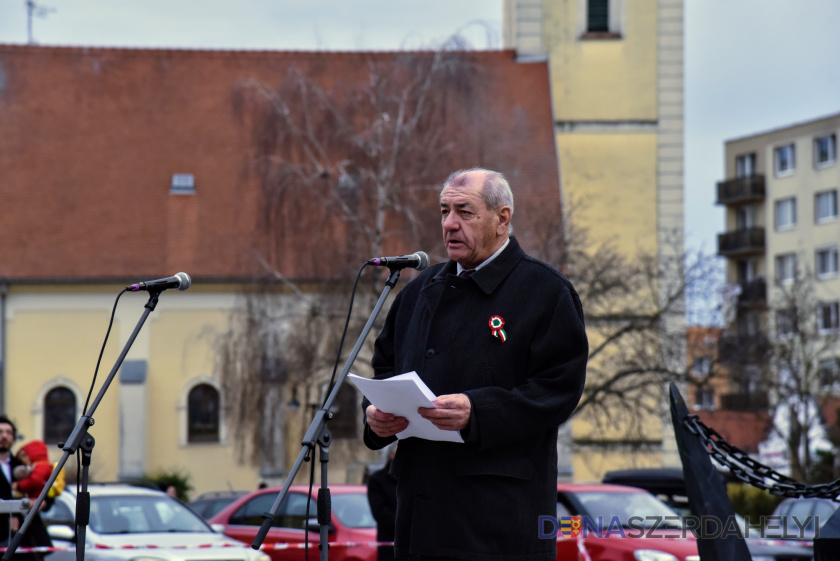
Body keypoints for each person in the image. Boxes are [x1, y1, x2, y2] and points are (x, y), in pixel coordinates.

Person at [362, 168, 588, 561]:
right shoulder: (417, 292)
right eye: (444, 211)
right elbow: (384, 372)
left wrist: (477, 412)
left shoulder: (545, 292)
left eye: (464, 212)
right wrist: (376, 419)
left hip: (497, 525)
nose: (450, 224)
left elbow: (558, 390)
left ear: (502, 218)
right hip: (419, 520)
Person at [0, 416, 52, 561]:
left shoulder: (23, 464)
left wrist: (43, 502)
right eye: (1, 432)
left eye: (8, 432)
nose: (4, 436)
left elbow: (47, 488)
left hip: (26, 535)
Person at [366, 446, 398, 561]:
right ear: (393, 455)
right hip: (390, 544)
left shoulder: (411, 478)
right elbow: (380, 511)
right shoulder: (378, 480)